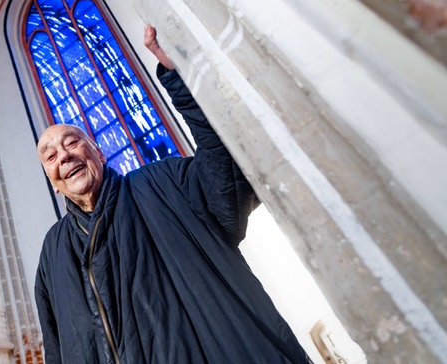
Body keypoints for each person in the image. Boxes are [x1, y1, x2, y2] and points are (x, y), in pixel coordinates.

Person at [34, 24, 312, 363]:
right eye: (51, 156)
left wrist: (181, 80)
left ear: (99, 153)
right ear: (53, 179)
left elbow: (226, 175)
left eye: (73, 142)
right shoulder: (53, 251)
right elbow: (57, 349)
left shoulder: (163, 183)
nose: (64, 156)